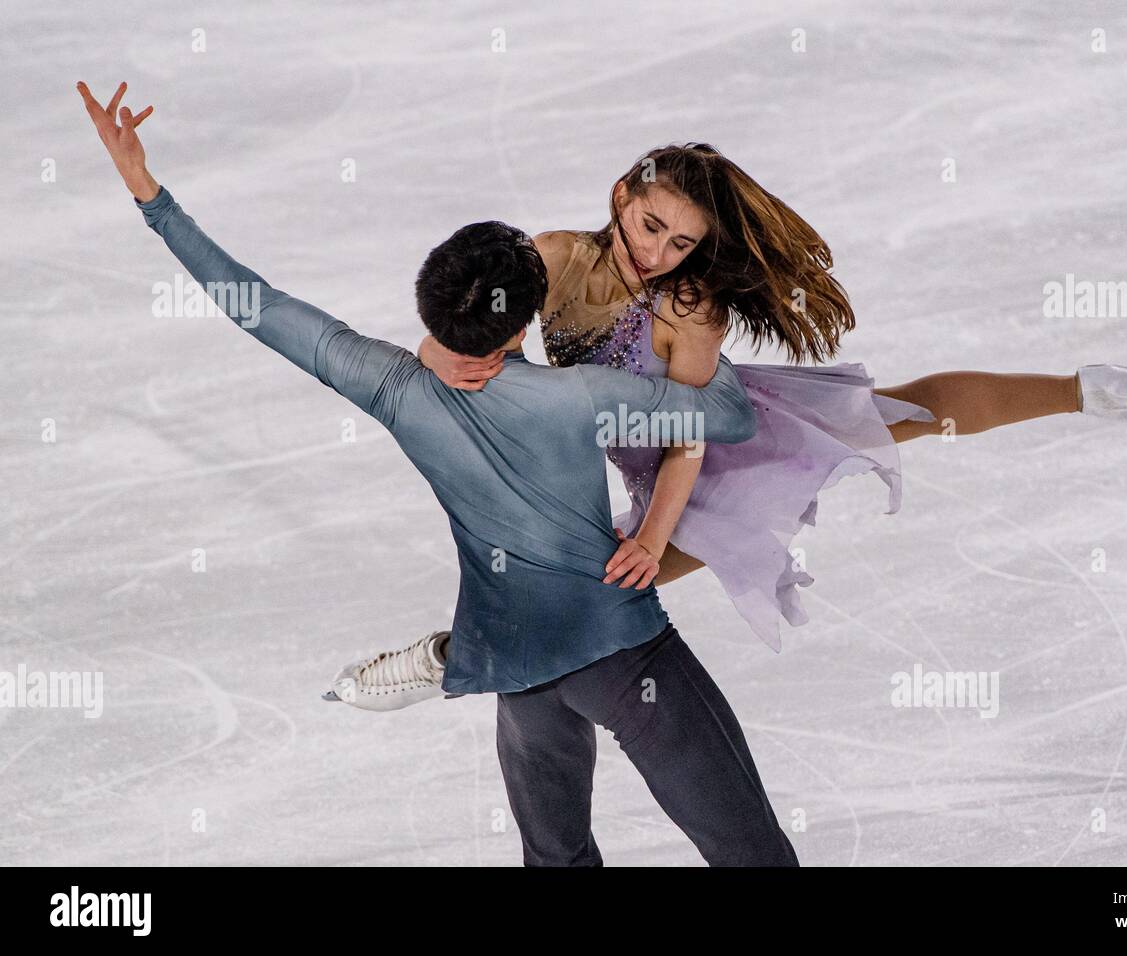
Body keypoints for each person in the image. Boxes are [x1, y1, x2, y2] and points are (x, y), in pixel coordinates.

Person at [77, 79, 799, 866]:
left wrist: (150, 194)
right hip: (618, 653)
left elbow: (254, 304)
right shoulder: (581, 396)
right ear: (525, 322)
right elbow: (726, 418)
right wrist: (702, 326)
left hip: (515, 673)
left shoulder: (390, 387)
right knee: (754, 853)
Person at [338, 142, 1127, 708]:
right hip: (622, 459)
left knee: (907, 413)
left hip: (712, 460)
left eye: (678, 242)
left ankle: (1103, 390)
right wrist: (436, 347)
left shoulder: (689, 306)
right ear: (621, 195)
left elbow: (691, 430)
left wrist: (655, 532)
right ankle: (454, 656)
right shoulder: (555, 259)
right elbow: (472, 305)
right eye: (649, 226)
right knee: (899, 412)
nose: (655, 253)